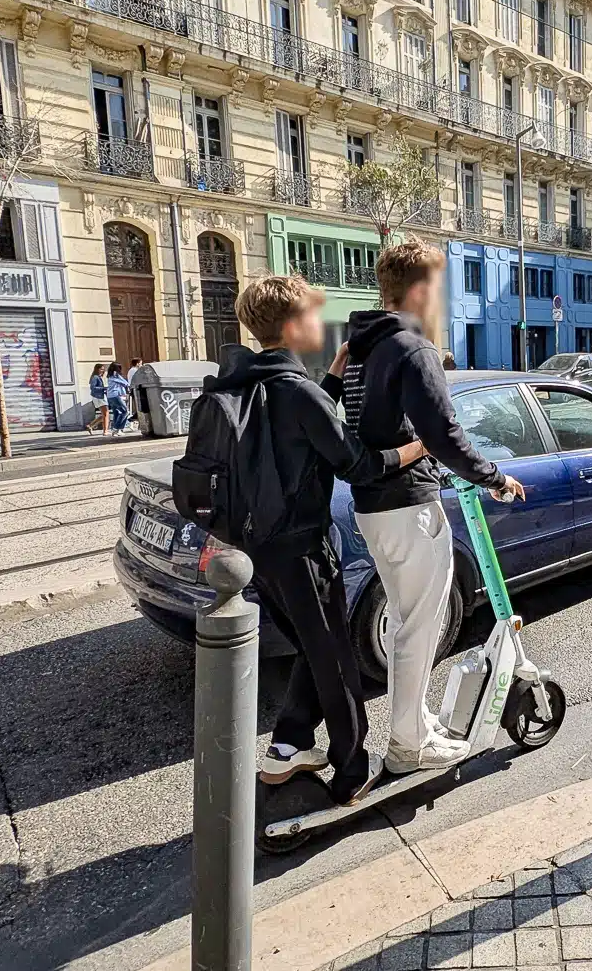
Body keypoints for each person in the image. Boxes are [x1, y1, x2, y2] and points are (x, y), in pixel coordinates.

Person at [214, 276, 425, 804]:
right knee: (334, 660)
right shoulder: (299, 392)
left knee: (312, 648)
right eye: (312, 314)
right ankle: (352, 768)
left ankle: (287, 747)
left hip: (258, 551)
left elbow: (294, 430)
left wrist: (330, 381)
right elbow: (357, 463)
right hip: (302, 550)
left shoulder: (245, 380)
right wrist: (417, 449)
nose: (320, 324)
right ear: (291, 326)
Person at [342, 238, 525, 773]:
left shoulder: (362, 348)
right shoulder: (412, 348)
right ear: (421, 290)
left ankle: (411, 728)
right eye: (439, 288)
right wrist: (493, 476)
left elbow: (365, 424)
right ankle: (408, 745)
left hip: (373, 507)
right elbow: (443, 432)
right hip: (408, 506)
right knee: (421, 625)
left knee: (405, 623)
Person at [105, 362, 132, 434]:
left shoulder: (110, 375)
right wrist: (128, 385)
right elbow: (124, 383)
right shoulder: (115, 374)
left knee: (116, 413)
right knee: (125, 411)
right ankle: (117, 428)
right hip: (115, 395)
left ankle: (116, 430)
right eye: (119, 367)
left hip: (110, 396)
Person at [86, 363, 108, 435]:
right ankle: (105, 431)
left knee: (104, 414)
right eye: (101, 369)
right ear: (97, 369)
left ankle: (91, 425)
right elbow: (93, 388)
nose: (103, 370)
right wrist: (104, 388)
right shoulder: (95, 377)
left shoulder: (97, 377)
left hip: (98, 396)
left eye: (103, 369)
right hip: (99, 397)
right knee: (106, 414)